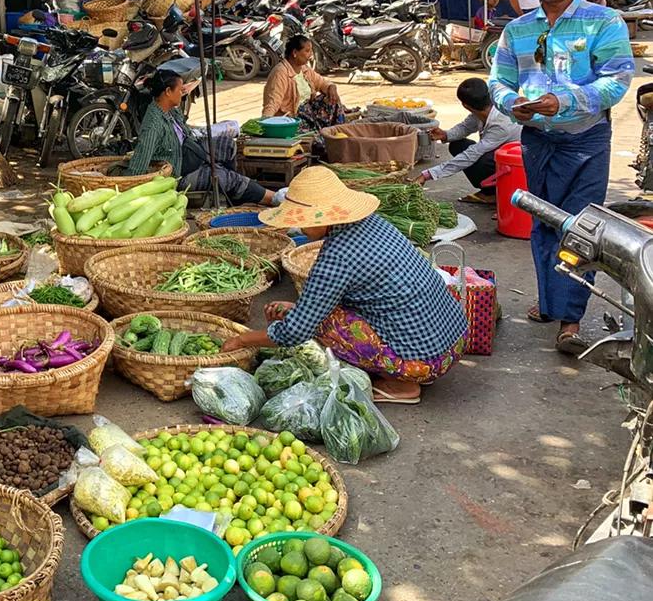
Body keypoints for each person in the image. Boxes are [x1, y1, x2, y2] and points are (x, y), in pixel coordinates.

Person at [489, 0, 634, 354]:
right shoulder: (518, 30)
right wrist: (509, 102)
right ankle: (552, 301)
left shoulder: (603, 23)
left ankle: (570, 322)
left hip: (586, 141)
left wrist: (565, 100)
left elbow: (617, 80)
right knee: (544, 222)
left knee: (581, 229)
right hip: (538, 141)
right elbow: (499, 80)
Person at [222, 168, 467, 404]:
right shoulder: (373, 224)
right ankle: (405, 371)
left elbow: (295, 332)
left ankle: (402, 384)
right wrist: (300, 309)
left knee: (325, 325)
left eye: (304, 221)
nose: (300, 228)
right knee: (318, 316)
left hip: (424, 362)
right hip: (454, 340)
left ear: (324, 217)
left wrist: (243, 340)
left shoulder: (336, 257)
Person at [126, 71, 275, 206]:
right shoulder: (153, 124)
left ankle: (233, 192)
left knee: (228, 145)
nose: (182, 92)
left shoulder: (170, 110)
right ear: (167, 92)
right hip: (179, 173)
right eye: (179, 90)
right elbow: (140, 161)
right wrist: (128, 192)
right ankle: (272, 198)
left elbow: (186, 131)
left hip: (189, 152)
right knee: (224, 177)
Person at [418, 77, 521, 204]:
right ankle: (490, 191)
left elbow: (471, 155)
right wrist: (445, 135)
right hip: (501, 156)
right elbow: (466, 126)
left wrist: (428, 175)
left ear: (465, 105)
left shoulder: (501, 123)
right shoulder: (482, 110)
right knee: (457, 145)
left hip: (517, 166)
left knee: (483, 159)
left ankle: (496, 194)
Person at [261, 34, 344, 130]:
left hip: (309, 112)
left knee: (333, 100)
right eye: (307, 51)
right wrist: (265, 123)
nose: (311, 54)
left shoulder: (304, 69)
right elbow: (273, 102)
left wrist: (331, 87)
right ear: (295, 52)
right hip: (293, 118)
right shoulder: (280, 73)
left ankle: (336, 133)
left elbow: (321, 83)